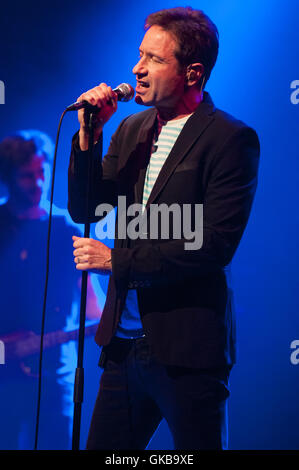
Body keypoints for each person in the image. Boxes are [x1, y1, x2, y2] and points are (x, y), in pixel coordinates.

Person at [68, 7, 260, 450]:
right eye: (140, 55)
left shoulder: (229, 139)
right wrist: (89, 138)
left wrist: (116, 260)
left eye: (154, 59)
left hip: (187, 350)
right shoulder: (131, 129)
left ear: (192, 72)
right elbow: (87, 208)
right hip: (123, 344)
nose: (137, 68)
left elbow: (213, 245)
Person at [0, 130, 101, 450]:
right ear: (8, 177)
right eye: (27, 176)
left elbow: (95, 310)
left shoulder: (66, 229)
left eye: (42, 172)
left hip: (56, 373)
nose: (38, 182)